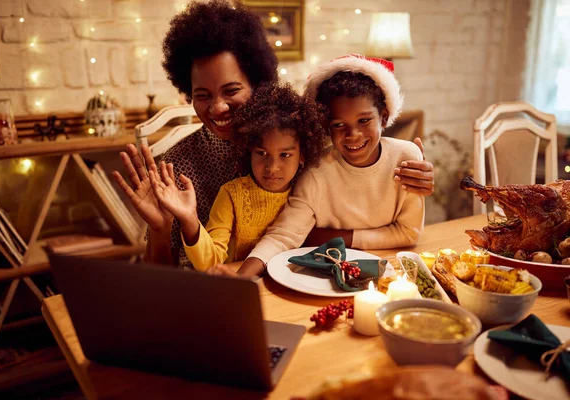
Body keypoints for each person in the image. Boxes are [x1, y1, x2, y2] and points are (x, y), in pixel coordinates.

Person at [112, 0, 434, 270]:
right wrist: (159, 228)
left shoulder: (302, 140)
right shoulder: (178, 165)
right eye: (202, 95)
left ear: (258, 83)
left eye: (231, 90)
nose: (218, 107)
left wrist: (411, 169)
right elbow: (163, 280)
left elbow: (363, 171)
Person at [218, 55, 425, 278]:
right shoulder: (317, 172)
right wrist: (241, 278)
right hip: (325, 276)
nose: (353, 134)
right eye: (338, 125)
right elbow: (283, 236)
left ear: (383, 117)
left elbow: (408, 233)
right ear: (326, 126)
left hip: (392, 268)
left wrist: (335, 238)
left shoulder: (407, 158)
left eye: (364, 120)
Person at [147, 83, 326, 271]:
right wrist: (190, 220)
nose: (272, 167)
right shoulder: (232, 194)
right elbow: (210, 263)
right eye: (261, 153)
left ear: (303, 155)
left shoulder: (306, 190)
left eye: (285, 155)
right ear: (248, 150)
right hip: (239, 284)